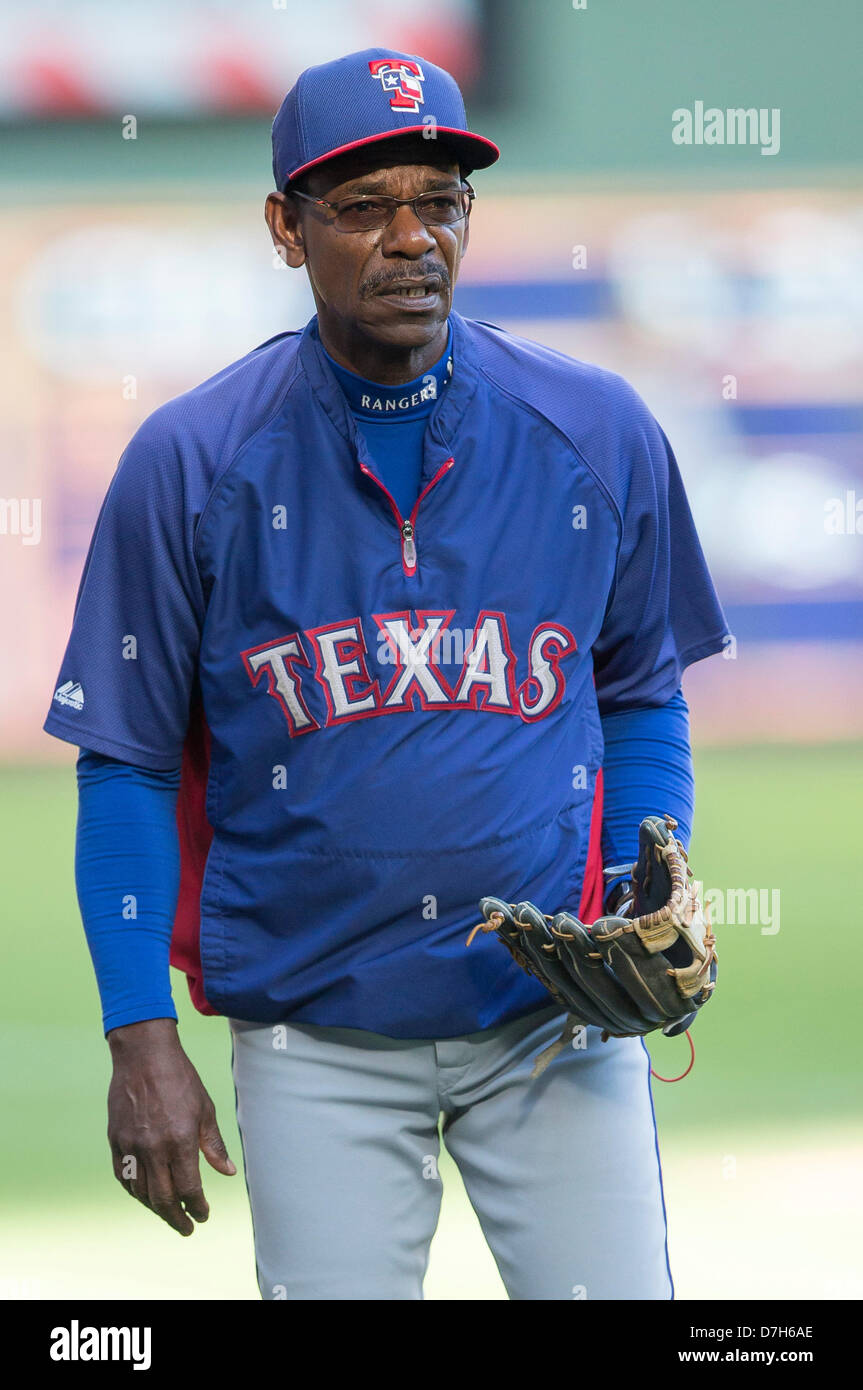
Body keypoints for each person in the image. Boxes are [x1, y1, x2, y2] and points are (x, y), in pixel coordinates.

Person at [44, 48, 729, 1300]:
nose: (412, 237)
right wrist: (140, 1033)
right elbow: (127, 764)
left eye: (441, 201)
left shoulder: (597, 430)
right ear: (284, 229)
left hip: (554, 1023)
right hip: (316, 1037)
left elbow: (637, 689)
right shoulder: (192, 462)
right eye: (363, 206)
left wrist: (652, 857)